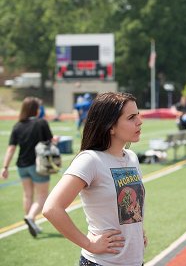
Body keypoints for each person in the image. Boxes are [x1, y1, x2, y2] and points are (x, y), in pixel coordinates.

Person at [42, 92, 147, 266]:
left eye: (137, 115)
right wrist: (89, 244)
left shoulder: (131, 158)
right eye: (131, 117)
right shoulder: (90, 160)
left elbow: (129, 208)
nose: (139, 121)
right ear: (110, 127)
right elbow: (52, 208)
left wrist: (136, 233)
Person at [1, 97, 55, 237]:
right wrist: (57, 139)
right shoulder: (41, 123)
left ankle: (31, 222)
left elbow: (11, 149)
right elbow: (50, 141)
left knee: (27, 195)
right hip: (38, 164)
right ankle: (31, 218)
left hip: (21, 165)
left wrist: (5, 167)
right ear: (36, 109)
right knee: (42, 195)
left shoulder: (17, 125)